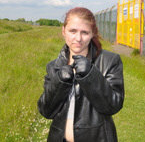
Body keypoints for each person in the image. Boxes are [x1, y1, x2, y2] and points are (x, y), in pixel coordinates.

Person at [37, 7, 124, 142]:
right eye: (73, 31)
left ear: (92, 33)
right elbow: (46, 111)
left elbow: (113, 105)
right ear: (63, 31)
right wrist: (60, 81)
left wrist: (90, 75)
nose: (78, 38)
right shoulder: (54, 66)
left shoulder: (110, 61)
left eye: (84, 32)